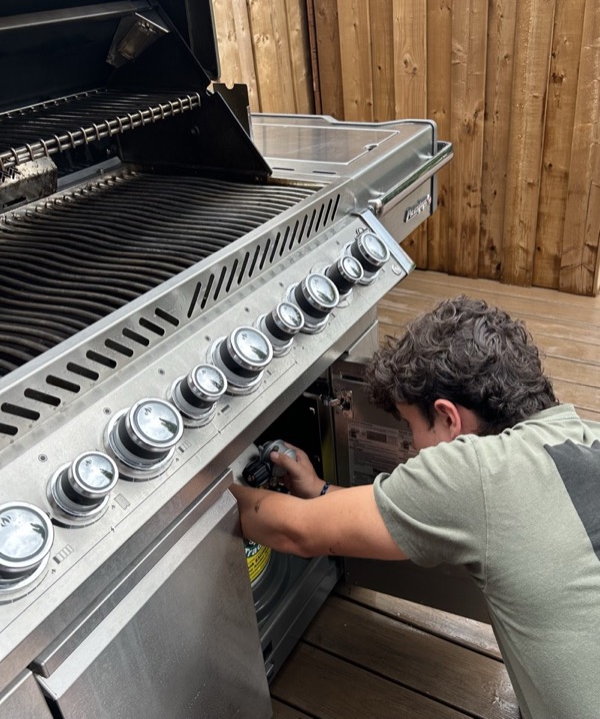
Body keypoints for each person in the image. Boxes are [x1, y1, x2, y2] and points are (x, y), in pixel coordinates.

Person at [230, 295, 600, 719]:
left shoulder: (477, 470)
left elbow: (293, 531)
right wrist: (319, 490)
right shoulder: (583, 434)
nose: (413, 449)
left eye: (411, 429)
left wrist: (208, 489)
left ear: (448, 418)